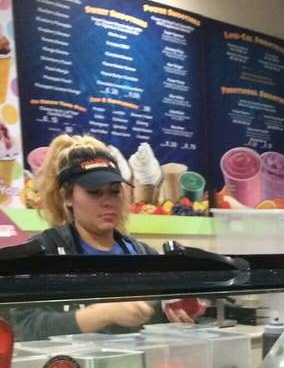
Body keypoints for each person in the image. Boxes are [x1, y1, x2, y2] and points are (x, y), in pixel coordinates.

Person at [10, 134, 194, 340]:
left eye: (114, 191)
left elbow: (152, 320)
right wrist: (103, 313)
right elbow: (24, 327)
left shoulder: (142, 253)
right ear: (67, 196)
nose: (108, 202)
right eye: (95, 192)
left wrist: (172, 313)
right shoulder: (44, 253)